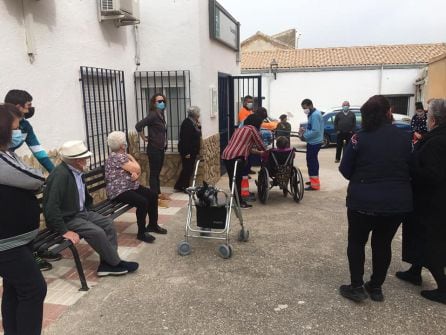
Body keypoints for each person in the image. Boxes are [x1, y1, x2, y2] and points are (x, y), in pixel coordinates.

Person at [339, 95, 412, 302]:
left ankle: (356, 286)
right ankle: (376, 287)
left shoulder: (358, 138)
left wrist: (363, 179)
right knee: (383, 244)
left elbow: (345, 169)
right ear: (388, 113)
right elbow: (413, 167)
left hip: (363, 202)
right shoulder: (405, 138)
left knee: (356, 242)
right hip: (396, 203)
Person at [43, 140, 139, 277]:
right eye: (85, 158)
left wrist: (89, 210)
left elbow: (83, 195)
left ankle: (108, 264)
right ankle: (115, 263)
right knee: (97, 232)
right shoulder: (60, 175)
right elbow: (51, 207)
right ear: (77, 160)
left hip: (81, 212)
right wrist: (63, 230)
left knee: (108, 224)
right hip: (67, 218)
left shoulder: (76, 171)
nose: (87, 160)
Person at [0, 103, 47, 335]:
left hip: (18, 240)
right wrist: (38, 178)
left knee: (14, 290)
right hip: (8, 245)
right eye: (17, 127)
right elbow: (34, 177)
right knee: (34, 289)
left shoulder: (7, 153)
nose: (19, 133)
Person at [400, 99, 446, 304]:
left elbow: (431, 174)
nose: (426, 119)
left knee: (431, 243)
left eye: (427, 117)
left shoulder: (436, 141)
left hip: (431, 201)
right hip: (430, 199)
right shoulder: (436, 137)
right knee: (419, 236)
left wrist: (410, 165)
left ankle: (443, 288)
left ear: (434, 119)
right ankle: (414, 271)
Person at [5, 89, 57, 270]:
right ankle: (28, 254)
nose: (31, 109)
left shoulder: (25, 126)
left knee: (30, 210)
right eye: (28, 105)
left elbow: (39, 151)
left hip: (14, 166)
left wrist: (55, 172)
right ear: (18, 107)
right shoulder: (3, 124)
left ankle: (33, 249)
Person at [105, 131, 167, 244]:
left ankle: (153, 225)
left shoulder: (121, 155)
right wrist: (132, 158)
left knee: (152, 195)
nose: (126, 143)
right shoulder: (117, 157)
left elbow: (134, 172)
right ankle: (141, 233)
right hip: (119, 190)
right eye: (125, 142)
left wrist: (134, 174)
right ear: (122, 145)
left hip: (129, 185)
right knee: (142, 202)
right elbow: (137, 168)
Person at [222, 114, 266, 209]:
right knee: (237, 179)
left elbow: (245, 147)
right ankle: (239, 202)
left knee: (232, 179)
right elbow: (260, 144)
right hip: (236, 157)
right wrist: (266, 152)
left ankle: (234, 200)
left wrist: (259, 153)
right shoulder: (252, 129)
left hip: (226, 155)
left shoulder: (240, 129)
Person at [135, 93, 170, 206]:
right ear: (154, 103)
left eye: (163, 101)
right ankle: (154, 197)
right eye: (159, 101)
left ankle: (158, 194)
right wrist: (143, 137)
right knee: (154, 173)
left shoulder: (161, 114)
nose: (162, 103)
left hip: (160, 148)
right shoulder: (153, 115)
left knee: (157, 173)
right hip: (154, 148)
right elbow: (138, 125)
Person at [174, 106, 202, 193]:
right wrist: (186, 153)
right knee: (187, 169)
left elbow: (197, 134)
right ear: (194, 114)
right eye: (198, 113)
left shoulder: (193, 122)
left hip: (192, 151)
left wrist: (199, 127)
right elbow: (185, 139)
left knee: (188, 169)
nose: (199, 115)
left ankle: (179, 185)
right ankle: (184, 187)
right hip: (188, 151)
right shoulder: (187, 123)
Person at [299, 99, 324, 191]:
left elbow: (315, 131)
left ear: (310, 105)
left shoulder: (315, 115)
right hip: (313, 141)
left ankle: (315, 185)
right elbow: (312, 128)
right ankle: (313, 180)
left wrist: (304, 136)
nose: (304, 110)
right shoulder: (312, 114)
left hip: (314, 142)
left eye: (305, 108)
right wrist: (304, 130)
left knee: (312, 162)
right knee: (311, 162)